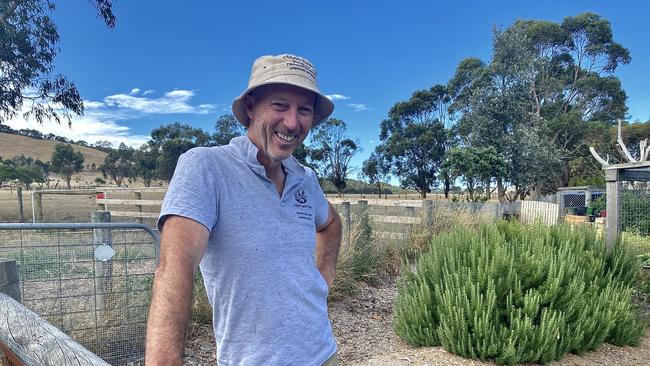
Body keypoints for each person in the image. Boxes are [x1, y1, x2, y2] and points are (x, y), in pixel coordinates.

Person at [145, 54, 342, 366]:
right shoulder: (206, 167)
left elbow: (331, 223)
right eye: (280, 105)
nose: (292, 122)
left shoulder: (306, 179)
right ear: (251, 106)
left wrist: (324, 275)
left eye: (304, 110)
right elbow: (174, 269)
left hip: (322, 352)